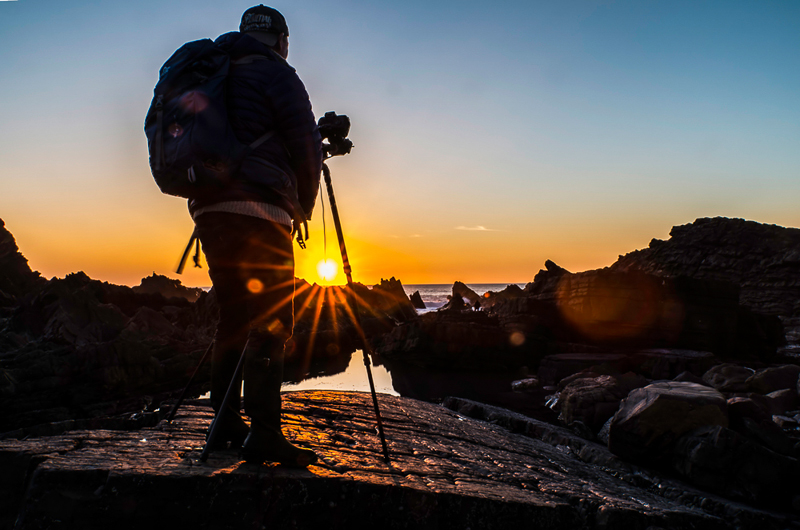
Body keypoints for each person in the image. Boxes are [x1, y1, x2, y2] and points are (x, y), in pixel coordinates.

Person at [192, 5, 322, 467]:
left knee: (232, 317)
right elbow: (306, 147)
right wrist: (302, 205)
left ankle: (225, 421)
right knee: (271, 322)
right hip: (261, 211)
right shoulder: (277, 74)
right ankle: (264, 433)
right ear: (282, 40)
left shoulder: (212, 68)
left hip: (208, 209)